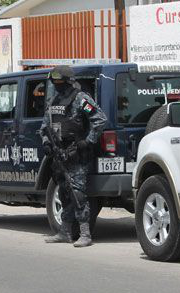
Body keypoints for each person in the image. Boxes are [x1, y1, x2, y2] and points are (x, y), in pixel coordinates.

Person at [40, 65, 106, 248]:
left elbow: (100, 119)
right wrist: (46, 142)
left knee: (78, 194)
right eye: (55, 82)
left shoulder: (81, 99)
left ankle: (85, 233)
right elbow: (45, 126)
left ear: (69, 82)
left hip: (76, 154)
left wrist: (88, 141)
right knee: (64, 193)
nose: (57, 86)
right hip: (58, 155)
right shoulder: (54, 101)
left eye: (60, 82)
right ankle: (65, 232)